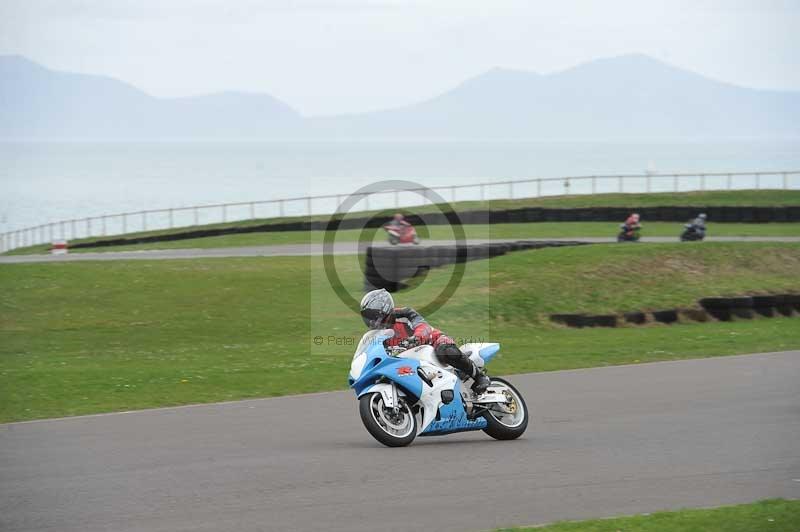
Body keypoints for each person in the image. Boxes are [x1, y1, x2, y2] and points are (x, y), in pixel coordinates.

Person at [359, 288, 491, 394]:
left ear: (383, 309)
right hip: (411, 360)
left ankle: (479, 377)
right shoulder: (378, 334)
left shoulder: (404, 314)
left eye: (372, 315)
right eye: (367, 317)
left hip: (433, 342)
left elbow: (423, 326)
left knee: (446, 351)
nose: (371, 321)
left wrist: (416, 338)